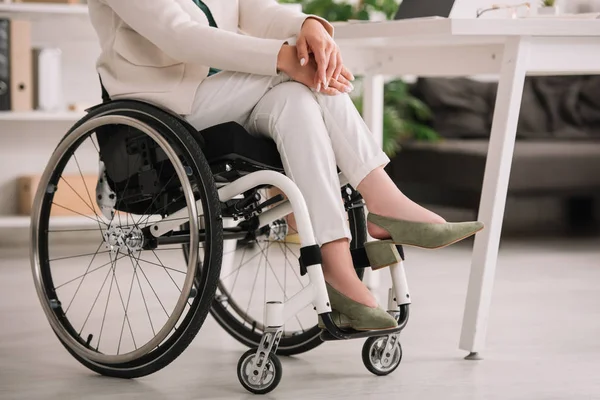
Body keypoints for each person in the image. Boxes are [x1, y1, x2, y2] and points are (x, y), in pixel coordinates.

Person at [88, 0, 483, 331]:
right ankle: (383, 199)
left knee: (297, 99)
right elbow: (178, 35)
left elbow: (253, 8)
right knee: (304, 75)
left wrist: (305, 25)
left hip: (226, 93)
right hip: (163, 106)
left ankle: (335, 264)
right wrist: (283, 56)